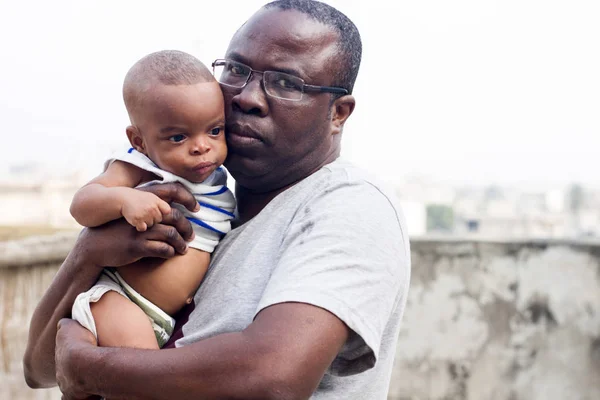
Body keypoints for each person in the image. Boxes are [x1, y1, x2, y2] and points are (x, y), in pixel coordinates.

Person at [23, 1, 411, 399]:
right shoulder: (187, 201)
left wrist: (92, 369)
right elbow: (40, 368)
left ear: (338, 114)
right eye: (237, 71)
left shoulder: (350, 206)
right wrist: (90, 254)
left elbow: (274, 378)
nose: (247, 97)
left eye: (286, 83)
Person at [68, 50, 236, 350]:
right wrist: (124, 199)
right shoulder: (139, 166)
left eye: (214, 131)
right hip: (119, 301)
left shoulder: (219, 178)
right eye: (178, 138)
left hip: (168, 318)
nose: (202, 147)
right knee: (145, 380)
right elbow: (82, 204)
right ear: (139, 141)